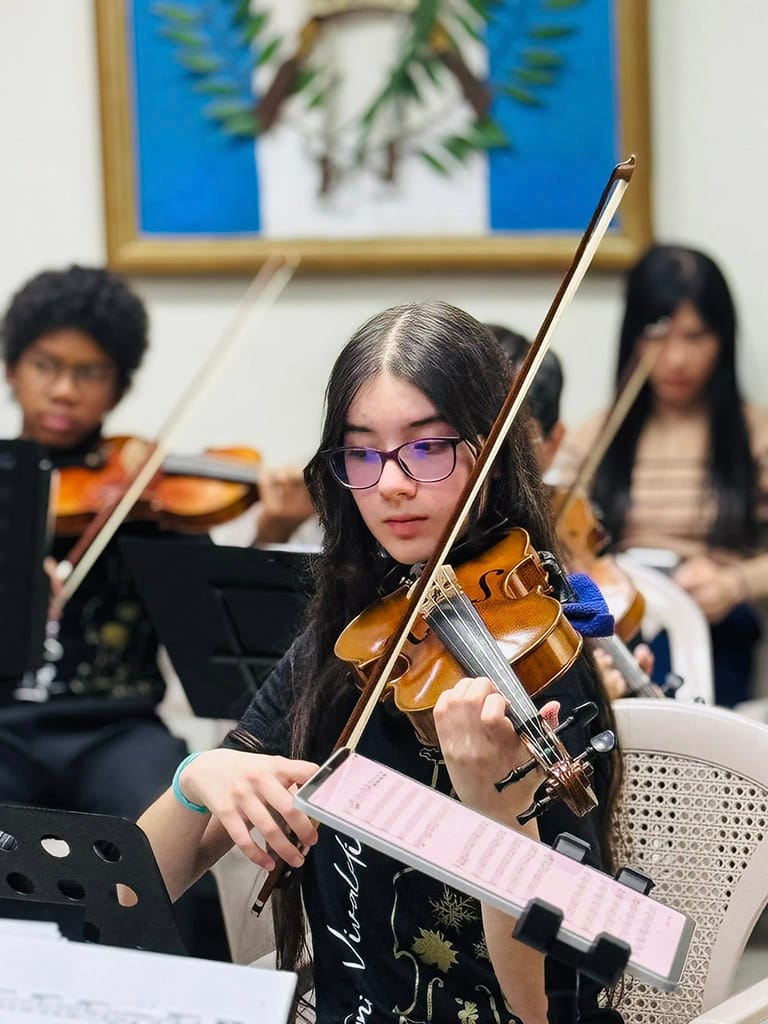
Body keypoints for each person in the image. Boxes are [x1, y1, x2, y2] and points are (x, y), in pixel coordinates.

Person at [139, 301, 623, 1023]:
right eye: (362, 452)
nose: (391, 482)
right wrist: (196, 779)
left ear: (488, 451)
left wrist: (500, 818)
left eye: (426, 448)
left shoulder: (543, 666)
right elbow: (133, 891)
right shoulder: (352, 643)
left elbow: (545, 1008)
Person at [0, 265, 193, 817]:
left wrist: (273, 528)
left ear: (119, 387)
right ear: (13, 370)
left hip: (116, 730)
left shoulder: (149, 491)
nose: (64, 390)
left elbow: (204, 616)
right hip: (5, 726)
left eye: (89, 372)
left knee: (166, 839)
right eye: (46, 366)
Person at [555, 244, 768, 707]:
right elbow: (551, 533)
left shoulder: (756, 434)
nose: (675, 359)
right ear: (634, 336)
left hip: (715, 628)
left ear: (723, 339)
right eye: (660, 336)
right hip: (619, 620)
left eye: (696, 337)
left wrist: (736, 584)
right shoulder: (597, 434)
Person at [487, 324, 654, 701]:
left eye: (517, 442)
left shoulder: (572, 522)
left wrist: (617, 693)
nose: (497, 464)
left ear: (554, 442)